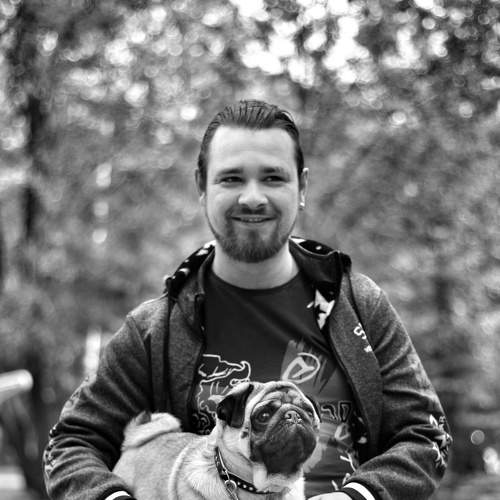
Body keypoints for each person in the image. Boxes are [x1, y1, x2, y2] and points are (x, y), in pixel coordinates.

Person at [43, 100, 452, 500]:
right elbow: (71, 443)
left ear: (302, 187)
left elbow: (426, 435)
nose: (252, 197)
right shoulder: (154, 329)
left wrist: (359, 495)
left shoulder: (358, 307)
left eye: (272, 178)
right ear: (201, 187)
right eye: (232, 179)